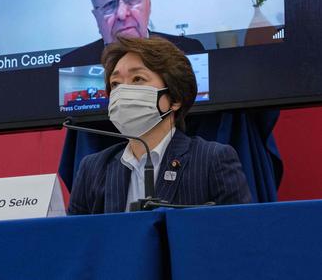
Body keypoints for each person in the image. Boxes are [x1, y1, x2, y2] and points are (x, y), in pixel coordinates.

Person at [68, 37, 252, 213]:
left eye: (138, 79)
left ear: (175, 98)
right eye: (115, 84)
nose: (123, 91)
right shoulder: (92, 169)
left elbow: (238, 236)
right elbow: (76, 241)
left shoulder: (212, 160)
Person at [59, 0, 203, 67]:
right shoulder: (68, 66)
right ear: (97, 17)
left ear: (148, 2)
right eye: (110, 4)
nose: (122, 14)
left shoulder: (188, 51)